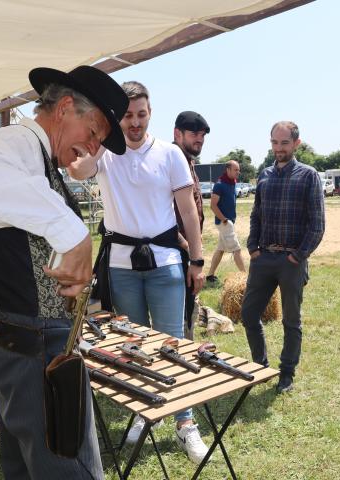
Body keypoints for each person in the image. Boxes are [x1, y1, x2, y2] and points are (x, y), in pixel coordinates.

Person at [0, 65, 129, 479]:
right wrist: (76, 236)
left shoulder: (39, 157)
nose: (91, 148)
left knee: (28, 468)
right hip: (32, 348)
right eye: (93, 131)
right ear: (65, 107)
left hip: (30, 344)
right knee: (70, 469)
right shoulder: (13, 143)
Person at [67, 81, 209, 464]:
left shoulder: (169, 154)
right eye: (128, 115)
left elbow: (190, 212)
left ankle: (185, 421)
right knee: (130, 344)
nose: (135, 123)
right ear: (118, 117)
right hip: (121, 265)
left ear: (151, 114)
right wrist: (90, 143)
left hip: (164, 263)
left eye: (141, 114)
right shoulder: (106, 155)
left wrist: (197, 261)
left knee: (172, 343)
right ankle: (143, 413)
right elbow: (78, 171)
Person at [241, 121, 325, 394]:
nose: (279, 148)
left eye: (284, 143)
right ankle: (261, 367)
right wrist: (253, 247)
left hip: (291, 261)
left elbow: (317, 224)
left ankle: (286, 373)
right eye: (275, 143)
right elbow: (257, 215)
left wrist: (298, 256)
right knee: (249, 314)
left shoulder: (309, 175)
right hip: (263, 258)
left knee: (291, 320)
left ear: (296, 143)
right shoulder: (264, 175)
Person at [172, 110, 210, 339]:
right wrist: (188, 248)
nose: (200, 138)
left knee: (188, 315)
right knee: (177, 323)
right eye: (194, 133)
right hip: (174, 253)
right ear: (178, 133)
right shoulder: (170, 161)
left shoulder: (188, 163)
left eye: (203, 135)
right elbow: (160, 213)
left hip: (188, 253)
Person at [205, 160, 246, 285]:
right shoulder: (219, 185)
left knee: (220, 250)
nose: (238, 172)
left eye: (238, 170)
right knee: (237, 250)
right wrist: (224, 220)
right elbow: (213, 205)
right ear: (228, 170)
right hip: (224, 223)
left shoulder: (232, 183)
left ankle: (210, 275)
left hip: (228, 222)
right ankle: (246, 278)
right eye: (235, 170)